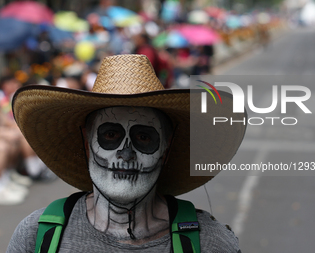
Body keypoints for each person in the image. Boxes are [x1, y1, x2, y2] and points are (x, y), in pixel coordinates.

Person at [7, 54, 246, 252]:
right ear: (87, 142)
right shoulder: (37, 235)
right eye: (111, 135)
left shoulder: (210, 243)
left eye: (144, 137)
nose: (126, 154)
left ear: (166, 147)